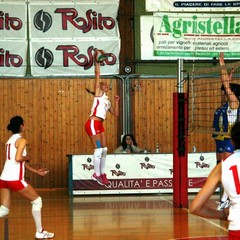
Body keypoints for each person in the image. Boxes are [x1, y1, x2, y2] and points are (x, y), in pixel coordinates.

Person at [0, 116, 54, 239]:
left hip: (4, 179)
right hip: (15, 179)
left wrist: (36, 171)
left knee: (4, 210)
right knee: (37, 201)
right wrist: (27, 157)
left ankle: (40, 232)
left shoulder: (9, 141)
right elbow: (19, 159)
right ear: (21, 126)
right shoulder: (22, 140)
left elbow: (16, 162)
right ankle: (40, 232)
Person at [190, 121, 240, 239]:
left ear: (232, 142)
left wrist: (222, 214)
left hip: (236, 226)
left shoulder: (222, 167)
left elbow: (195, 207)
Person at [85, 53, 119, 187]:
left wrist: (116, 102)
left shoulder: (107, 101)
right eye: (102, 84)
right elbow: (97, 74)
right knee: (98, 149)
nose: (104, 84)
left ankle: (102, 173)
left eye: (105, 84)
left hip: (100, 124)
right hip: (93, 122)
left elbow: (115, 114)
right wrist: (97, 62)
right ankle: (96, 174)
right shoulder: (98, 94)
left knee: (104, 149)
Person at [216, 53, 240, 210]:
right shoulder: (233, 103)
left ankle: (226, 198)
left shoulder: (235, 103)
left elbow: (225, 85)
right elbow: (225, 84)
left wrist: (222, 63)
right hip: (233, 139)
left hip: (233, 140)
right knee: (227, 170)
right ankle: (226, 198)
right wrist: (227, 75)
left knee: (226, 170)